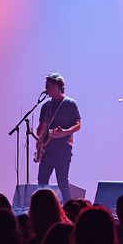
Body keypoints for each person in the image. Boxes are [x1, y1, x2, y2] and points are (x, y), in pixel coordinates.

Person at [35, 73, 81, 206]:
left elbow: (78, 124)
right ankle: (42, 208)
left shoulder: (69, 104)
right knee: (42, 181)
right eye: (46, 84)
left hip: (63, 148)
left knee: (62, 182)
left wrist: (64, 132)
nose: (47, 87)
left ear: (59, 85)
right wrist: (40, 136)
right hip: (47, 149)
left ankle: (69, 211)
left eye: (50, 84)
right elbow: (40, 130)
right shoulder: (46, 106)